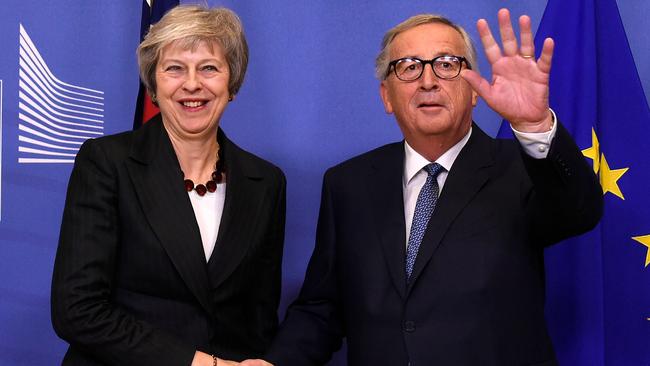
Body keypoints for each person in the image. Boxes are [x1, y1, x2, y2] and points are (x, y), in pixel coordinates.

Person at [243, 8, 602, 366]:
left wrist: (534, 125)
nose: (428, 81)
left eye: (446, 64)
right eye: (410, 67)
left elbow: (580, 211)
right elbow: (323, 308)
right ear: (387, 95)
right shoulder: (348, 184)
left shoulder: (522, 169)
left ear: (475, 89)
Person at [51, 5, 285, 366]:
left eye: (209, 68)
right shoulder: (107, 163)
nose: (192, 83)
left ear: (232, 83)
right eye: (175, 68)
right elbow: (77, 309)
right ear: (154, 85)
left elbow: (258, 318)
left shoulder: (266, 183)